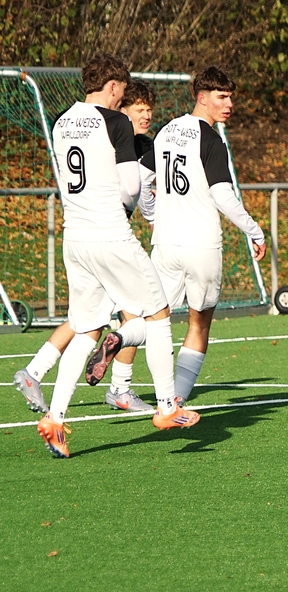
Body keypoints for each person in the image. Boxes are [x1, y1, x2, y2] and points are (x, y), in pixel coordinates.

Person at [37, 54, 199, 457]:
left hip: (74, 236)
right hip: (110, 233)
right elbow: (130, 186)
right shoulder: (115, 122)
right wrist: (137, 203)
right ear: (112, 87)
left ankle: (55, 419)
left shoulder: (60, 121)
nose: (121, 100)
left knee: (87, 328)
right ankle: (167, 406)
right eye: (122, 92)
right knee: (158, 313)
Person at [13, 79, 160, 414]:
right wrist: (148, 213)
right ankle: (121, 388)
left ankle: (36, 372)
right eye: (139, 109)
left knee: (87, 321)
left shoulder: (132, 142)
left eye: (150, 110)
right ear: (121, 108)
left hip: (91, 236)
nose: (147, 116)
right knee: (135, 315)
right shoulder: (113, 136)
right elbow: (133, 188)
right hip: (106, 238)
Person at [130, 66, 267, 405]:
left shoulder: (167, 130)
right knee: (199, 324)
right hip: (201, 245)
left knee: (154, 317)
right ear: (202, 97)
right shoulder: (211, 139)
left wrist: (151, 214)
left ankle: (119, 339)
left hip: (165, 244)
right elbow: (223, 197)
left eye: (230, 97)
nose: (229, 104)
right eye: (222, 97)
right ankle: (175, 400)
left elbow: (141, 177)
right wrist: (255, 230)